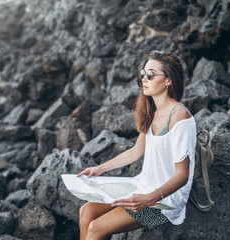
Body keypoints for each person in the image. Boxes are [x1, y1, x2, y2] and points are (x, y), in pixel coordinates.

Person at [77, 50, 197, 240]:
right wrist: (99, 169)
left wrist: (150, 198)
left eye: (151, 75)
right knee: (86, 212)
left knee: (95, 228)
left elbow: (182, 175)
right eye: (143, 74)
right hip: (142, 186)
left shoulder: (180, 117)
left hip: (164, 203)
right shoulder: (151, 110)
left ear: (168, 80)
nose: (144, 79)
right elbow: (136, 151)